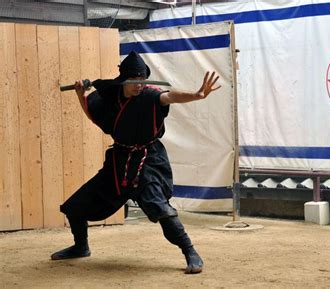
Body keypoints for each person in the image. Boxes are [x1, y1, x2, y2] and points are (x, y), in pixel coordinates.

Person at [50, 51, 221, 274]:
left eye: (142, 80)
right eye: (134, 82)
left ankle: (190, 251)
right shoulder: (110, 97)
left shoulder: (150, 96)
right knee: (76, 206)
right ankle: (81, 247)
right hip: (118, 162)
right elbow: (93, 115)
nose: (139, 85)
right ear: (123, 81)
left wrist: (197, 95)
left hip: (147, 161)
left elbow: (169, 97)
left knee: (161, 208)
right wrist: (80, 94)